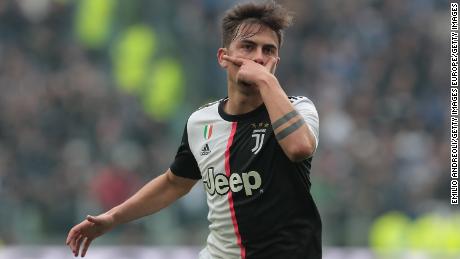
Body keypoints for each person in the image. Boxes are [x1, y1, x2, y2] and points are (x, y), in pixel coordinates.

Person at [66, 1, 322, 258]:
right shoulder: (202, 121)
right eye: (247, 47)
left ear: (276, 61)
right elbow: (174, 183)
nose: (258, 57)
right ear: (223, 57)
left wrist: (266, 79)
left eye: (268, 50)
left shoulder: (299, 109)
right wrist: (112, 218)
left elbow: (299, 148)